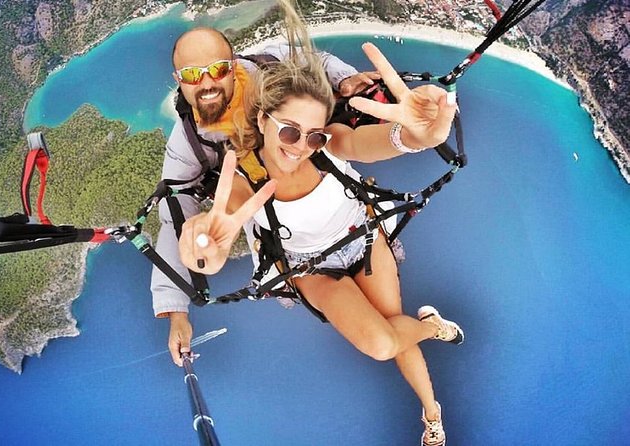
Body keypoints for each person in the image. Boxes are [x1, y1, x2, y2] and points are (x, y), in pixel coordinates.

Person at [176, 1, 462, 444]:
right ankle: (431, 326)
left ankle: (432, 414)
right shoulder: (245, 176)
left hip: (362, 238)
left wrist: (414, 137)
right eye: (290, 131)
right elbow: (220, 224)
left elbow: (367, 143)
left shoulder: (330, 145)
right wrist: (204, 249)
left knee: (392, 320)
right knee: (384, 343)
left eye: (313, 135)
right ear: (262, 120)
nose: (302, 146)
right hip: (311, 269)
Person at [151, 26, 380, 367]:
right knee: (371, 332)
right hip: (273, 220)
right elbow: (175, 211)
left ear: (233, 64)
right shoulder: (188, 141)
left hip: (319, 184)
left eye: (217, 70)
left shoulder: (267, 65)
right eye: (192, 75)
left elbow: (314, 62)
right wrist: (175, 309)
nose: (207, 83)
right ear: (178, 80)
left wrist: (344, 79)